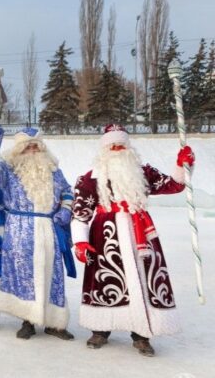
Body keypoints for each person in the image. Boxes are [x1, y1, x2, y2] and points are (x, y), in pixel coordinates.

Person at [71, 124, 193, 357]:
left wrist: (182, 164)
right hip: (106, 236)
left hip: (141, 233)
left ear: (128, 147)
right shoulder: (89, 179)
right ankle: (100, 329)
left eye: (121, 144)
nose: (117, 148)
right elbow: (80, 213)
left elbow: (174, 185)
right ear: (104, 149)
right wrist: (80, 241)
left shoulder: (143, 172)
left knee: (144, 279)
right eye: (112, 145)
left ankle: (142, 334)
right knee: (104, 280)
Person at [0, 127, 75, 340]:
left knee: (51, 274)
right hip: (19, 229)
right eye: (27, 146)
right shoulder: (8, 171)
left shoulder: (53, 169)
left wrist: (65, 208)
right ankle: (27, 320)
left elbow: (67, 190)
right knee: (25, 274)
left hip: (48, 228)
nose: (32, 149)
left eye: (36, 145)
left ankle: (54, 322)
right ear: (18, 149)